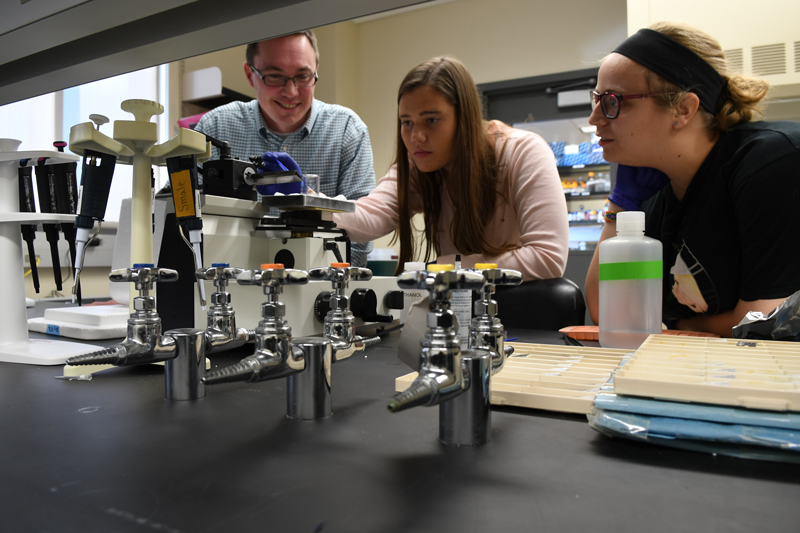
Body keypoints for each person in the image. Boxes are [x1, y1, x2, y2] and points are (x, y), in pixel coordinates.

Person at [584, 21, 800, 337]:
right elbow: (607, 313)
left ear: (683, 109)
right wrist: (621, 204)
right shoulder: (654, 193)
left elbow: (761, 324)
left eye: (613, 102)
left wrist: (676, 325)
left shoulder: (772, 162)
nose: (595, 119)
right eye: (597, 99)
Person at [331, 57, 568, 281]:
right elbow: (369, 215)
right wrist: (308, 205)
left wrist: (447, 266)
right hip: (459, 310)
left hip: (520, 308)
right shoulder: (416, 167)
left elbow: (548, 258)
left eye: (431, 120)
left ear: (464, 117)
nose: (417, 137)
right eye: (407, 122)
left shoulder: (522, 152)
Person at [193, 31, 375, 266]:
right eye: (275, 76)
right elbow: (175, 213)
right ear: (250, 74)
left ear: (316, 70)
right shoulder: (215, 128)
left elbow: (360, 241)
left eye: (303, 76)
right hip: (228, 284)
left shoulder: (347, 131)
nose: (291, 92)